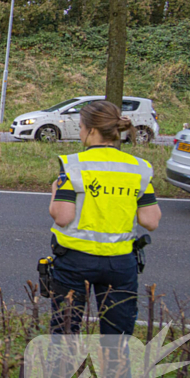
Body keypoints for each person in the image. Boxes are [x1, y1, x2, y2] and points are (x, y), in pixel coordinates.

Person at [47, 100, 162, 335]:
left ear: (91, 130)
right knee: (117, 338)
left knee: (65, 332)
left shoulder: (73, 166)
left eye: (80, 128)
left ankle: (63, 371)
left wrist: (54, 193)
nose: (80, 134)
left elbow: (62, 217)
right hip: (120, 264)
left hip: (74, 261)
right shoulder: (139, 168)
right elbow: (151, 220)